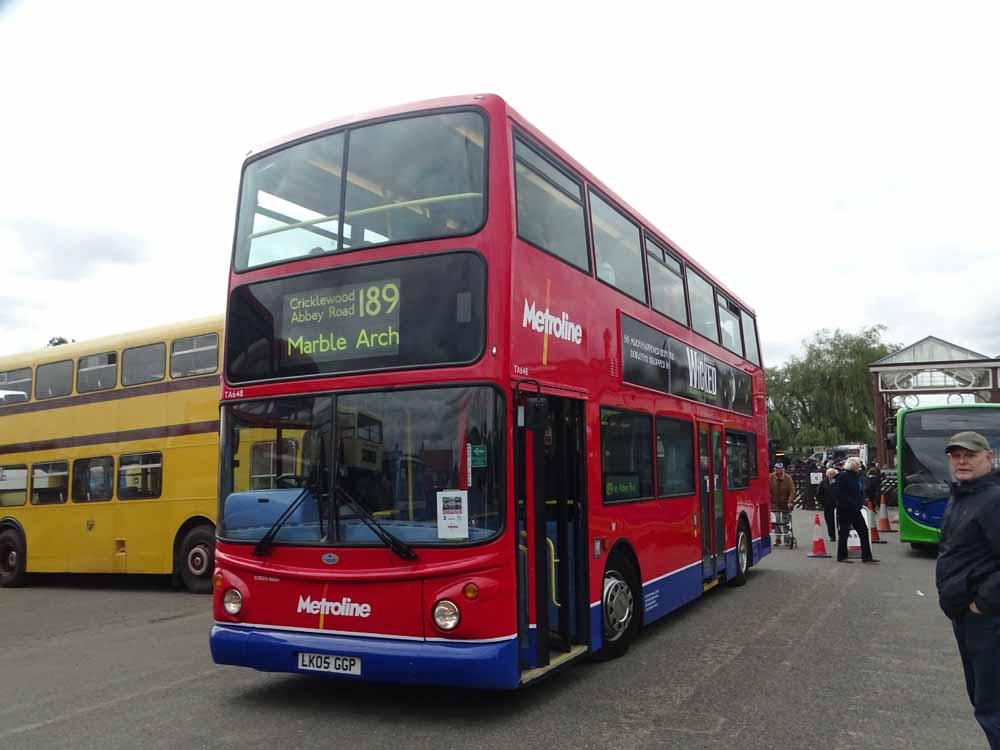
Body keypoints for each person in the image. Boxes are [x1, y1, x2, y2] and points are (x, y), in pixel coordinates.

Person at [935, 431, 1000, 749]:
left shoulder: (993, 499)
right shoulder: (965, 494)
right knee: (983, 701)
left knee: (992, 708)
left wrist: (983, 603)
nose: (961, 461)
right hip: (968, 617)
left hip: (988, 621)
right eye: (955, 455)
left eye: (970, 455)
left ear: (989, 458)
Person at [834, 457, 879, 563]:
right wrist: (850, 502)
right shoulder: (843, 476)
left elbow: (859, 490)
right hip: (845, 509)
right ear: (853, 465)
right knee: (844, 532)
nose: (860, 467)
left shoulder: (855, 477)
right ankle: (841, 556)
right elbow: (840, 493)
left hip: (855, 509)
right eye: (858, 465)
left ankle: (867, 556)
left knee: (863, 531)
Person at [769, 462, 796, 546]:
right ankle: (778, 538)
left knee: (786, 521)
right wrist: (769, 499)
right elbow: (767, 490)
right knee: (775, 520)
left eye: (780, 469)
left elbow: (792, 491)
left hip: (785, 503)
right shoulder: (770, 477)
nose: (778, 471)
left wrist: (789, 501)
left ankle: (787, 539)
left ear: (783, 469)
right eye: (776, 469)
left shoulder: (788, 478)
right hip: (774, 503)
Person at [815, 467, 839, 542]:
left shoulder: (839, 481)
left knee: (839, 520)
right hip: (828, 505)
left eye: (833, 474)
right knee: (829, 521)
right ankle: (832, 535)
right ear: (827, 475)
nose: (831, 475)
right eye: (830, 474)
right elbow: (818, 494)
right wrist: (823, 503)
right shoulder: (823, 482)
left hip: (838, 505)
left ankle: (840, 534)